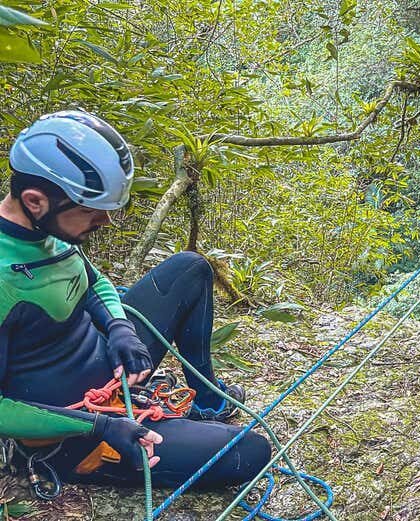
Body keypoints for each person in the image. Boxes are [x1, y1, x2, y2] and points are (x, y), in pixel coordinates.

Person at [0, 110, 271, 488]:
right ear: (35, 200)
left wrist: (119, 327)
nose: (105, 222)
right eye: (93, 212)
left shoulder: (49, 230)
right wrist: (102, 425)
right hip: (78, 434)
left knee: (190, 268)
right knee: (248, 451)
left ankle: (208, 399)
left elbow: (93, 283)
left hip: (113, 371)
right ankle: (98, 457)